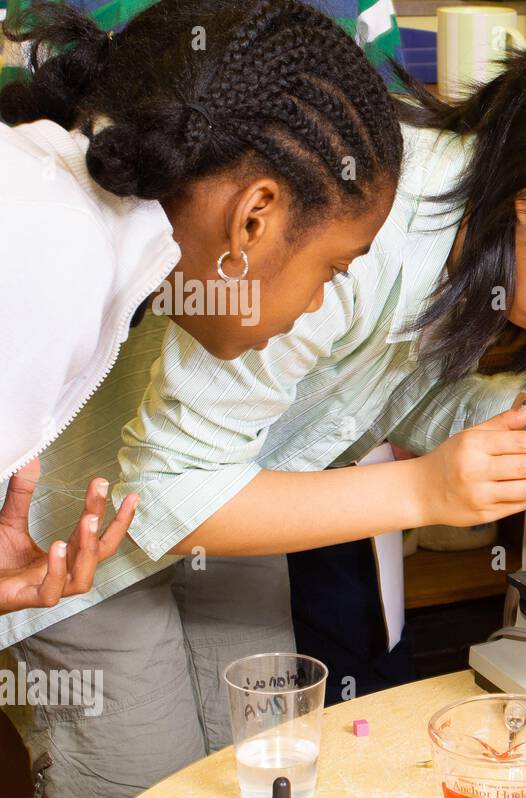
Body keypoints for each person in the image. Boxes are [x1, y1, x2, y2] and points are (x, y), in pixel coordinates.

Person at [0, 18, 526, 798]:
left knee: (266, 786)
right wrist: (424, 488)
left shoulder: (464, 228)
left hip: (236, 525)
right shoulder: (340, 226)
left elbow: (384, 398)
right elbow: (168, 488)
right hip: (78, 545)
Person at [0, 0, 406, 614]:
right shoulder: (58, 253)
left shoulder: (73, 223)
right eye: (332, 269)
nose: (321, 300)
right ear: (252, 219)